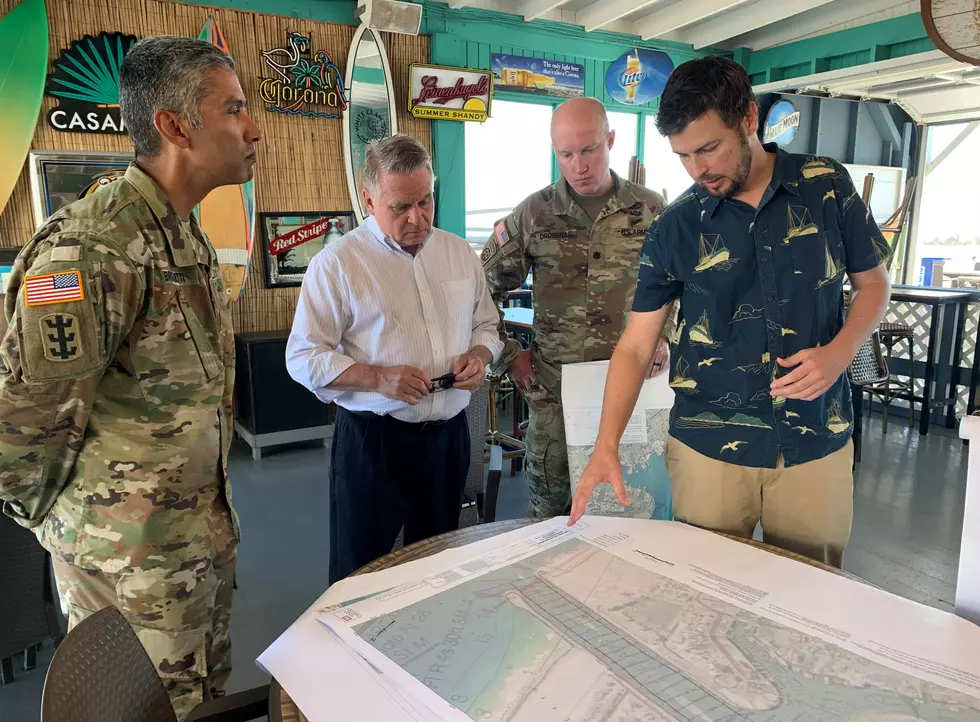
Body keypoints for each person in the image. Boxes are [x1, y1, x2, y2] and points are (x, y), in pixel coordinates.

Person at [0, 37, 260, 721]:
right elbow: (20, 439)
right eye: (233, 109)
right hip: (126, 578)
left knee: (192, 711)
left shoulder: (184, 236)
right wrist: (84, 542)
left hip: (191, 560)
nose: (253, 126)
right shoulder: (89, 249)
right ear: (175, 126)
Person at [569, 56, 892, 568]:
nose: (698, 169)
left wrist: (839, 355)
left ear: (748, 120)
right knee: (704, 601)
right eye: (683, 156)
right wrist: (606, 445)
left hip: (816, 438)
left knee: (814, 598)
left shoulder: (825, 185)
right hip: (709, 447)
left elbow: (873, 284)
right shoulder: (676, 227)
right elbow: (635, 344)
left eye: (709, 148)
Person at [286, 134, 503, 585]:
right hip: (374, 441)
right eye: (399, 207)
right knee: (360, 568)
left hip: (447, 439)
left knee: (437, 560)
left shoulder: (460, 253)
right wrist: (377, 378)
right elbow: (303, 356)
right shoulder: (337, 264)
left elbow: (487, 327)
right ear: (368, 198)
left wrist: (481, 356)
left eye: (425, 202)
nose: (417, 218)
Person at [482, 97, 672, 519]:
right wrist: (510, 356)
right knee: (550, 515)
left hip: (632, 390)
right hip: (555, 393)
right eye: (566, 155)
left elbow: (680, 283)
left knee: (631, 508)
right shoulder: (535, 213)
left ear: (610, 140)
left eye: (589, 150)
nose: (579, 166)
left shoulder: (651, 209)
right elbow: (480, 289)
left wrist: (664, 334)